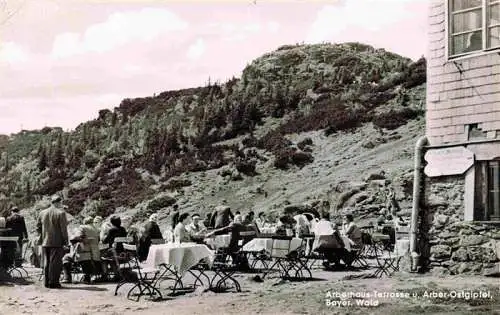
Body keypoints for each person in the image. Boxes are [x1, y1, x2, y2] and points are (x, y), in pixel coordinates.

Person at [37, 195, 69, 289]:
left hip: (45, 241)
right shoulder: (61, 213)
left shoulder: (42, 212)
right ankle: (54, 282)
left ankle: (46, 282)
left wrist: (42, 235)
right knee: (55, 263)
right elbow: (63, 229)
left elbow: (38, 226)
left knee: (46, 262)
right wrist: (66, 241)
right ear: (59, 202)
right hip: (56, 241)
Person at [62, 217, 101, 284]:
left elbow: (77, 237)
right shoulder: (96, 229)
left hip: (84, 254)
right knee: (84, 256)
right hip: (95, 255)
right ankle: (87, 277)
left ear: (84, 222)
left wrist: (72, 240)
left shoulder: (82, 227)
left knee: (66, 258)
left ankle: (67, 278)